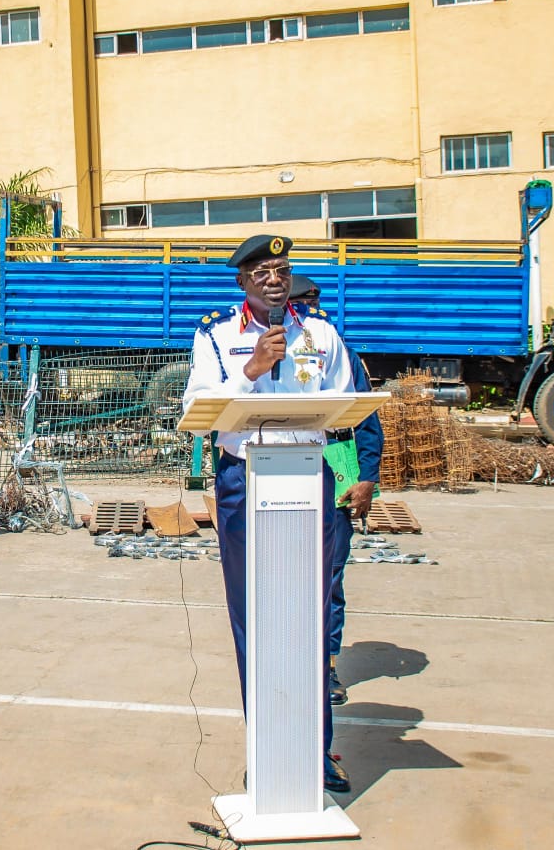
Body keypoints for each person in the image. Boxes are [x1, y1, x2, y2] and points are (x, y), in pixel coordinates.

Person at [183, 233, 356, 794]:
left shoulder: (323, 335)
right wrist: (252, 369)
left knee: (308, 615)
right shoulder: (214, 336)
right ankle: (268, 748)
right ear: (243, 281)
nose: (274, 278)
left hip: (308, 476)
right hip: (243, 482)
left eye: (281, 269)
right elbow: (197, 410)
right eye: (261, 271)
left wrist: (355, 475)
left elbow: (345, 403)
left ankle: (316, 750)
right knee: (253, 621)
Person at [289, 275, 382, 706]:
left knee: (329, 575)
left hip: (336, 465)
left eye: (314, 304)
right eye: (301, 304)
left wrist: (367, 479)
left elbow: (365, 418)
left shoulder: (339, 353)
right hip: (282, 472)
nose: (311, 312)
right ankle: (286, 658)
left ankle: (325, 666)